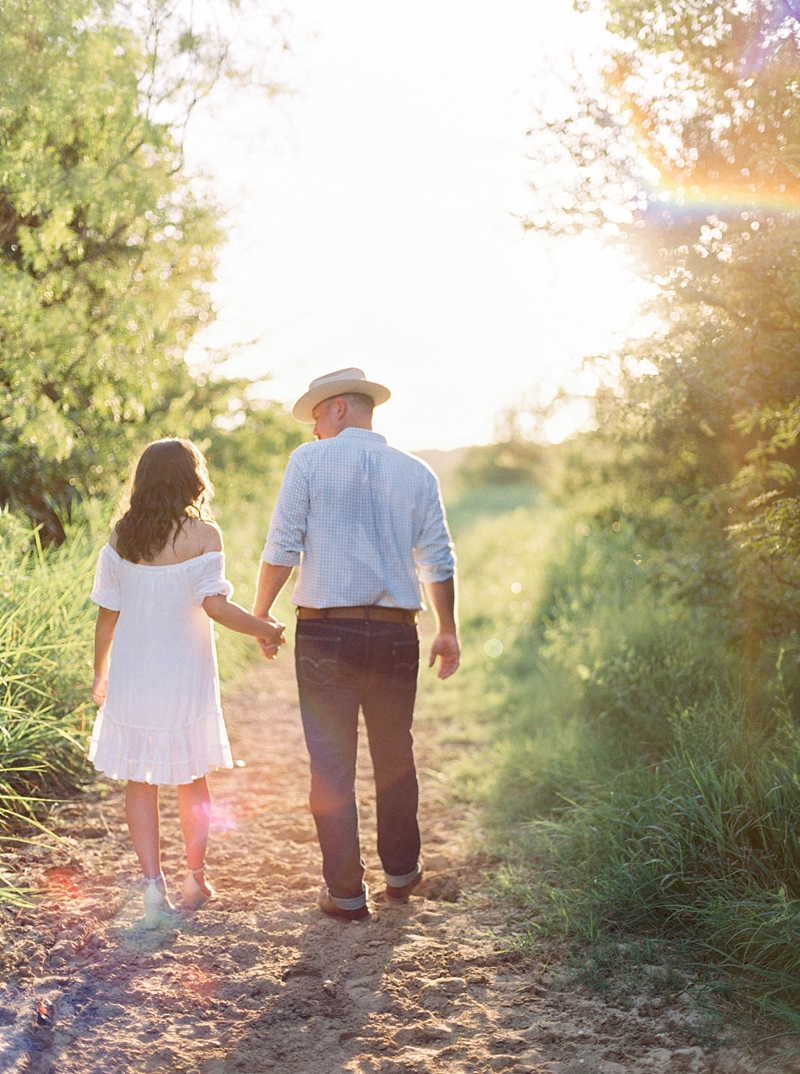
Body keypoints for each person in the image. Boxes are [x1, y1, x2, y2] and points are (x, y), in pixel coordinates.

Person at [253, 367, 459, 923]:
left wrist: (261, 612)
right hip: (396, 633)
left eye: (317, 415)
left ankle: (345, 892)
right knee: (395, 753)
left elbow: (283, 544)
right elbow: (438, 558)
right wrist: (447, 627)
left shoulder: (308, 461)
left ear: (339, 407)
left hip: (326, 634)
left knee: (330, 764)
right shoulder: (416, 472)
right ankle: (402, 872)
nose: (314, 428)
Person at [90, 438, 284, 928]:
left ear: (144, 481)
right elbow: (215, 606)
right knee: (191, 775)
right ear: (192, 480)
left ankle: (152, 885)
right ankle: (194, 878)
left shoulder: (122, 536)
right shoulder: (203, 535)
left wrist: (100, 672)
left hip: (133, 672)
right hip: (183, 674)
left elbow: (107, 614)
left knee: (140, 780)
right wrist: (265, 629)